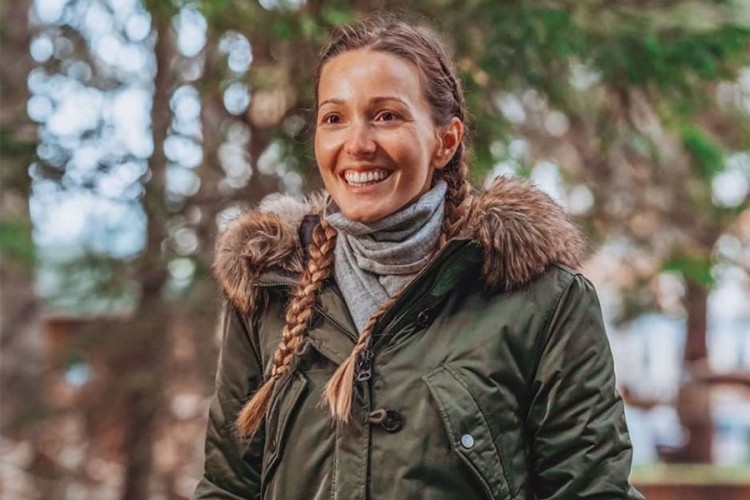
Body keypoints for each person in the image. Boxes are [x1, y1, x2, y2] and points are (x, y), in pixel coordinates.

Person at [195, 16, 643, 500]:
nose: (357, 144)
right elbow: (226, 488)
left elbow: (592, 489)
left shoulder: (542, 301)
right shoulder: (269, 291)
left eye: (387, 116)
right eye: (334, 118)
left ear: (445, 141)